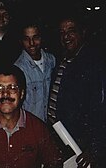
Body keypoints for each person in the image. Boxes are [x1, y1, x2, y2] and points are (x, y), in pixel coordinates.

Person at [0, 65, 63, 168]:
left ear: (21, 94)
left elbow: (55, 162)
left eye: (12, 88)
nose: (5, 94)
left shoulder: (38, 128)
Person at [47, 16, 106, 168]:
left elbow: (101, 110)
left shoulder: (94, 63)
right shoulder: (63, 58)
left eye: (71, 31)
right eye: (62, 32)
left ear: (83, 32)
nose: (65, 36)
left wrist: (94, 149)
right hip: (62, 141)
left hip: (80, 148)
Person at [14, 18, 56, 122]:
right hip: (31, 125)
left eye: (35, 37)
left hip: (52, 125)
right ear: (21, 41)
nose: (32, 43)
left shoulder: (52, 60)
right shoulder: (18, 68)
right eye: (26, 39)